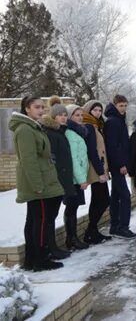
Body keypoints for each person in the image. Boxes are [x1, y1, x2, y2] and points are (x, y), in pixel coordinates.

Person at [9, 96, 65, 271]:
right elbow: (28, 161)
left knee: (34, 220)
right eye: (36, 107)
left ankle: (32, 260)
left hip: (43, 180)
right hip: (39, 184)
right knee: (39, 222)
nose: (41, 110)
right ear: (27, 109)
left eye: (43, 107)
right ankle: (40, 260)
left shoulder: (33, 127)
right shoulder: (25, 129)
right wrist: (38, 185)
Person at [38, 97, 72, 260]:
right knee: (49, 217)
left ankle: (52, 247)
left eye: (65, 115)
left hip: (61, 179)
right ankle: (50, 248)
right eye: (60, 115)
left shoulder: (59, 131)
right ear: (53, 117)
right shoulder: (51, 133)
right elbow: (51, 158)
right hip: (54, 180)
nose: (63, 117)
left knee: (53, 215)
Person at [104, 94, 136, 239]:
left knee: (116, 195)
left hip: (120, 163)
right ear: (115, 105)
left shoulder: (119, 120)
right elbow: (113, 146)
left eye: (125, 105)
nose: (123, 108)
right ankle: (123, 227)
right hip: (117, 165)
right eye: (120, 106)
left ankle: (114, 226)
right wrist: (121, 164)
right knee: (125, 196)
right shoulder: (112, 121)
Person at [81, 100, 112, 244]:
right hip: (95, 168)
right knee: (103, 198)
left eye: (100, 110)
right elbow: (92, 151)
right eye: (95, 110)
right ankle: (90, 230)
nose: (98, 113)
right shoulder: (89, 126)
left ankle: (92, 231)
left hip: (100, 166)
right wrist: (101, 171)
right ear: (88, 111)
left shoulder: (96, 125)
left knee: (98, 199)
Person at [64, 104, 91, 250]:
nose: (80, 117)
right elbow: (73, 159)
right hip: (74, 179)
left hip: (77, 177)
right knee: (71, 208)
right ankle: (71, 239)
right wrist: (81, 179)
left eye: (81, 115)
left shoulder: (78, 132)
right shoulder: (71, 134)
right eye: (76, 115)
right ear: (70, 117)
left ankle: (72, 238)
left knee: (72, 208)